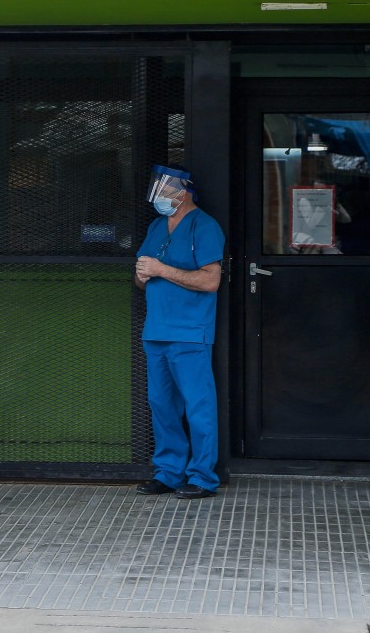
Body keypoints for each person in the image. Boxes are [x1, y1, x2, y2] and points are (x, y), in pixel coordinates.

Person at [133, 165, 225, 500]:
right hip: (156, 330)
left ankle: (203, 476)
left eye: (164, 190)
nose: (158, 196)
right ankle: (168, 473)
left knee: (197, 405)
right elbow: (141, 276)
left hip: (190, 332)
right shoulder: (157, 226)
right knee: (161, 405)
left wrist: (161, 270)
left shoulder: (205, 226)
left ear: (181, 192)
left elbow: (210, 281)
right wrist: (143, 276)